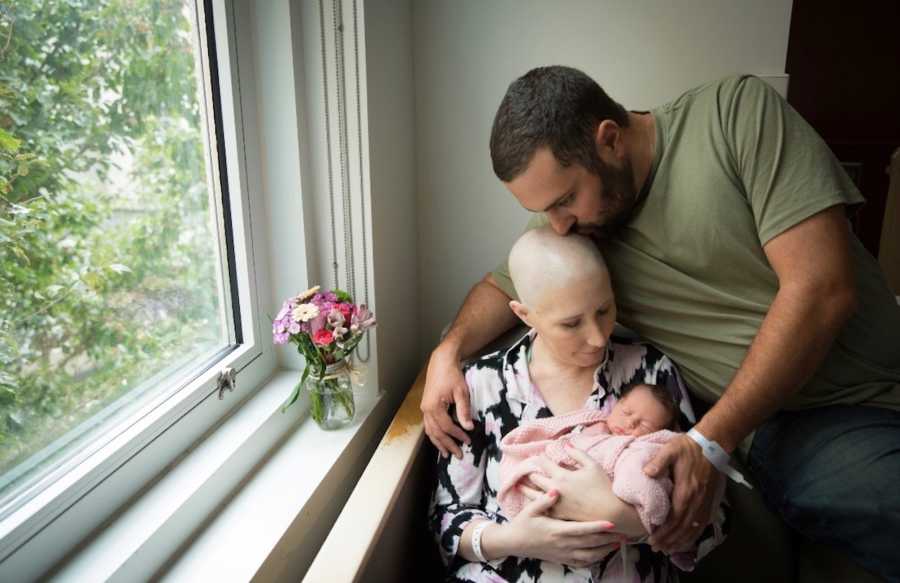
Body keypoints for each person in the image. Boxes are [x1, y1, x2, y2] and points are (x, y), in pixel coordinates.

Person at [421, 66, 900, 580]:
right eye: (545, 210)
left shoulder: (732, 115)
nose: (557, 225)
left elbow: (823, 289)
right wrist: (447, 351)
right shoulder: (577, 221)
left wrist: (708, 442)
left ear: (608, 140)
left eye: (563, 200)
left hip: (867, 388)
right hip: (791, 420)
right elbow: (504, 287)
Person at [428, 228, 726, 582]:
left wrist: (631, 521)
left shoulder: (650, 373)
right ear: (525, 315)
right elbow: (447, 517)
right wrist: (517, 539)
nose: (598, 336)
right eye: (571, 324)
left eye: (604, 309)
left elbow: (713, 517)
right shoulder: (481, 384)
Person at [498, 383, 687, 534]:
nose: (630, 423)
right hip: (544, 485)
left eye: (644, 425)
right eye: (627, 413)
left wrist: (637, 515)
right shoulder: (590, 425)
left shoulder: (639, 450)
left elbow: (642, 482)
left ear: (657, 434)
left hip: (595, 513)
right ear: (616, 405)